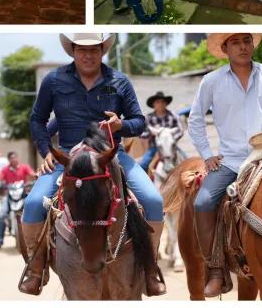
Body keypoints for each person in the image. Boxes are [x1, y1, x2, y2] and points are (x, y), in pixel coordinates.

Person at [19, 33, 166, 296]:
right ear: (72, 51)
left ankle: (150, 267)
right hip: (67, 157)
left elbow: (139, 121)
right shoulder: (53, 80)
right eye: (82, 49)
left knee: (154, 201)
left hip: (111, 154)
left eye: (94, 49)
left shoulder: (120, 81)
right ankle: (35, 268)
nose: (88, 55)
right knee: (32, 205)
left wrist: (122, 125)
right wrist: (46, 151)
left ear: (102, 51)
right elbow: (37, 119)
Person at [188, 33, 262, 297]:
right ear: (225, 48)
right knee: (202, 203)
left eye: (246, 40)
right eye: (235, 42)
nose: (243, 47)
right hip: (232, 161)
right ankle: (215, 269)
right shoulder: (211, 81)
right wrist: (206, 153)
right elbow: (195, 119)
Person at [0, 151, 35, 252]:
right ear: (9, 159)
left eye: (15, 157)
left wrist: (37, 176)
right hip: (9, 194)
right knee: (2, 215)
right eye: (11, 158)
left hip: (23, 193)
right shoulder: (5, 169)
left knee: (34, 208)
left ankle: (36, 239)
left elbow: (32, 174)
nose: (14, 159)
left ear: (18, 158)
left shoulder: (25, 167)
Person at [137, 91, 184, 172]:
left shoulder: (173, 115)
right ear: (153, 105)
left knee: (186, 161)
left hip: (172, 147)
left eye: (162, 102)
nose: (160, 104)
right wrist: (150, 134)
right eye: (158, 102)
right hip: (154, 147)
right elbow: (140, 134)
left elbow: (181, 130)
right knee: (142, 165)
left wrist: (171, 140)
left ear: (166, 103)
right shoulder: (148, 118)